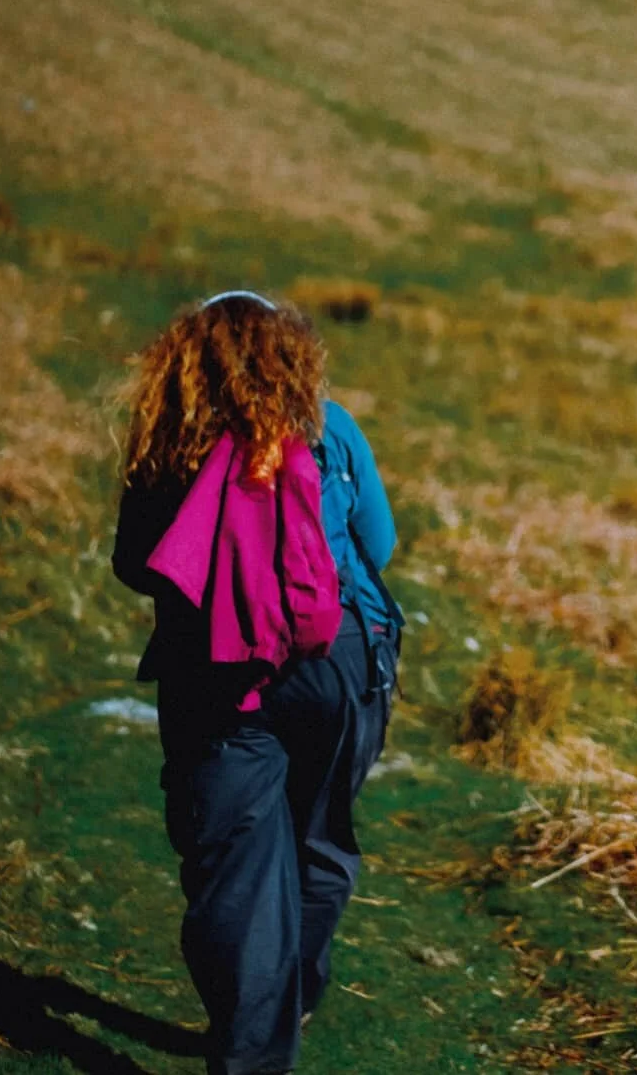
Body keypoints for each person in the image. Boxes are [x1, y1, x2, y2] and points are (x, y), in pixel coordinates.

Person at [110, 290, 402, 1075]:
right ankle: (296, 987)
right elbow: (381, 541)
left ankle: (252, 1045)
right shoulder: (332, 427)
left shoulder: (169, 438)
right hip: (338, 658)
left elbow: (135, 562)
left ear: (183, 359)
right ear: (291, 354)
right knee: (320, 837)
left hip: (217, 669)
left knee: (236, 865)